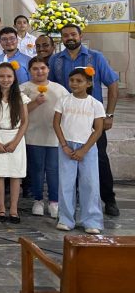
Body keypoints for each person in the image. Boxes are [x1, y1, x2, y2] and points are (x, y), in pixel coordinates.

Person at [48, 24, 120, 216]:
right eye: (65, 35)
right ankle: (74, 202)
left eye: (73, 34)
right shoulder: (56, 60)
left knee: (100, 159)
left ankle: (108, 199)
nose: (69, 38)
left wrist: (109, 115)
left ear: (81, 35)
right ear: (61, 39)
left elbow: (112, 84)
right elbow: (53, 88)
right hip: (68, 119)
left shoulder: (95, 57)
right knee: (68, 160)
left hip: (92, 119)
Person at [53, 67, 105, 234]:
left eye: (79, 81)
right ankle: (66, 218)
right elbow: (56, 123)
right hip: (66, 146)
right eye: (72, 80)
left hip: (87, 147)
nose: (74, 83)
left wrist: (84, 150)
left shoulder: (95, 104)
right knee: (66, 183)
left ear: (89, 83)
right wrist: (64, 145)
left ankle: (92, 220)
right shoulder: (63, 100)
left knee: (90, 183)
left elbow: (98, 129)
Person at [0, 61, 30, 224]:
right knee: (0, 173)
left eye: (9, 76)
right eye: (2, 76)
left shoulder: (21, 97)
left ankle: (14, 209)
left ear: (14, 78)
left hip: (15, 136)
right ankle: (1, 208)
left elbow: (24, 122)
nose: (5, 79)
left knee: (15, 174)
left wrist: (15, 142)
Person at [22, 57, 66, 218]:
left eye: (42, 68)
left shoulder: (59, 89)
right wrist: (35, 103)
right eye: (35, 69)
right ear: (29, 71)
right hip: (33, 135)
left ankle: (54, 201)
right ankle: (38, 200)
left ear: (48, 70)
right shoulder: (24, 88)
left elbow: (66, 109)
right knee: (37, 169)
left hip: (53, 135)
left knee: (53, 170)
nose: (39, 71)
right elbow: (19, 111)